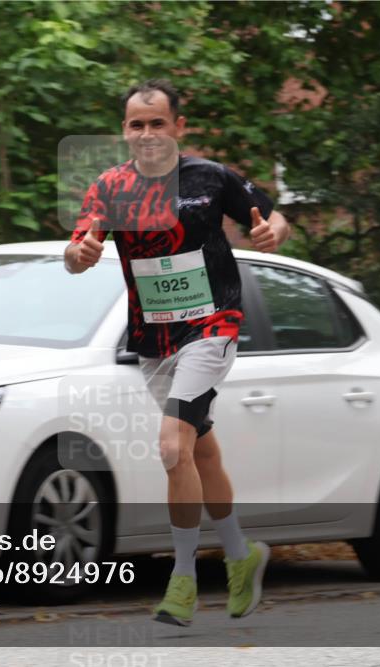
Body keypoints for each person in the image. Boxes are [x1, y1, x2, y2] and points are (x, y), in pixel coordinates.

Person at [65, 79, 291, 626]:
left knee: (171, 446)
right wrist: (82, 252)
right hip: (153, 337)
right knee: (199, 453)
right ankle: (241, 556)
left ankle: (183, 578)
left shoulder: (210, 177)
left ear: (178, 128)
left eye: (157, 123)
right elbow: (75, 252)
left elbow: (272, 215)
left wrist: (273, 232)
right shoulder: (109, 188)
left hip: (213, 324)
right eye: (136, 125)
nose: (146, 134)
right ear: (125, 130)